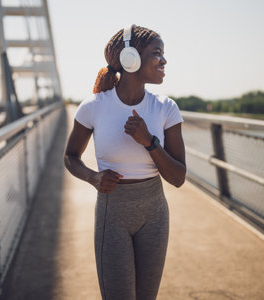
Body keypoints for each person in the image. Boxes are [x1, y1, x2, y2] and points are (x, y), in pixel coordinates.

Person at [63, 24, 186, 300]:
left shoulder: (166, 108)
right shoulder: (93, 107)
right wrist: (93, 178)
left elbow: (178, 178)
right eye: (157, 53)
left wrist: (149, 142)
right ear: (131, 57)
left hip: (154, 214)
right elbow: (70, 156)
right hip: (112, 214)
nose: (164, 60)